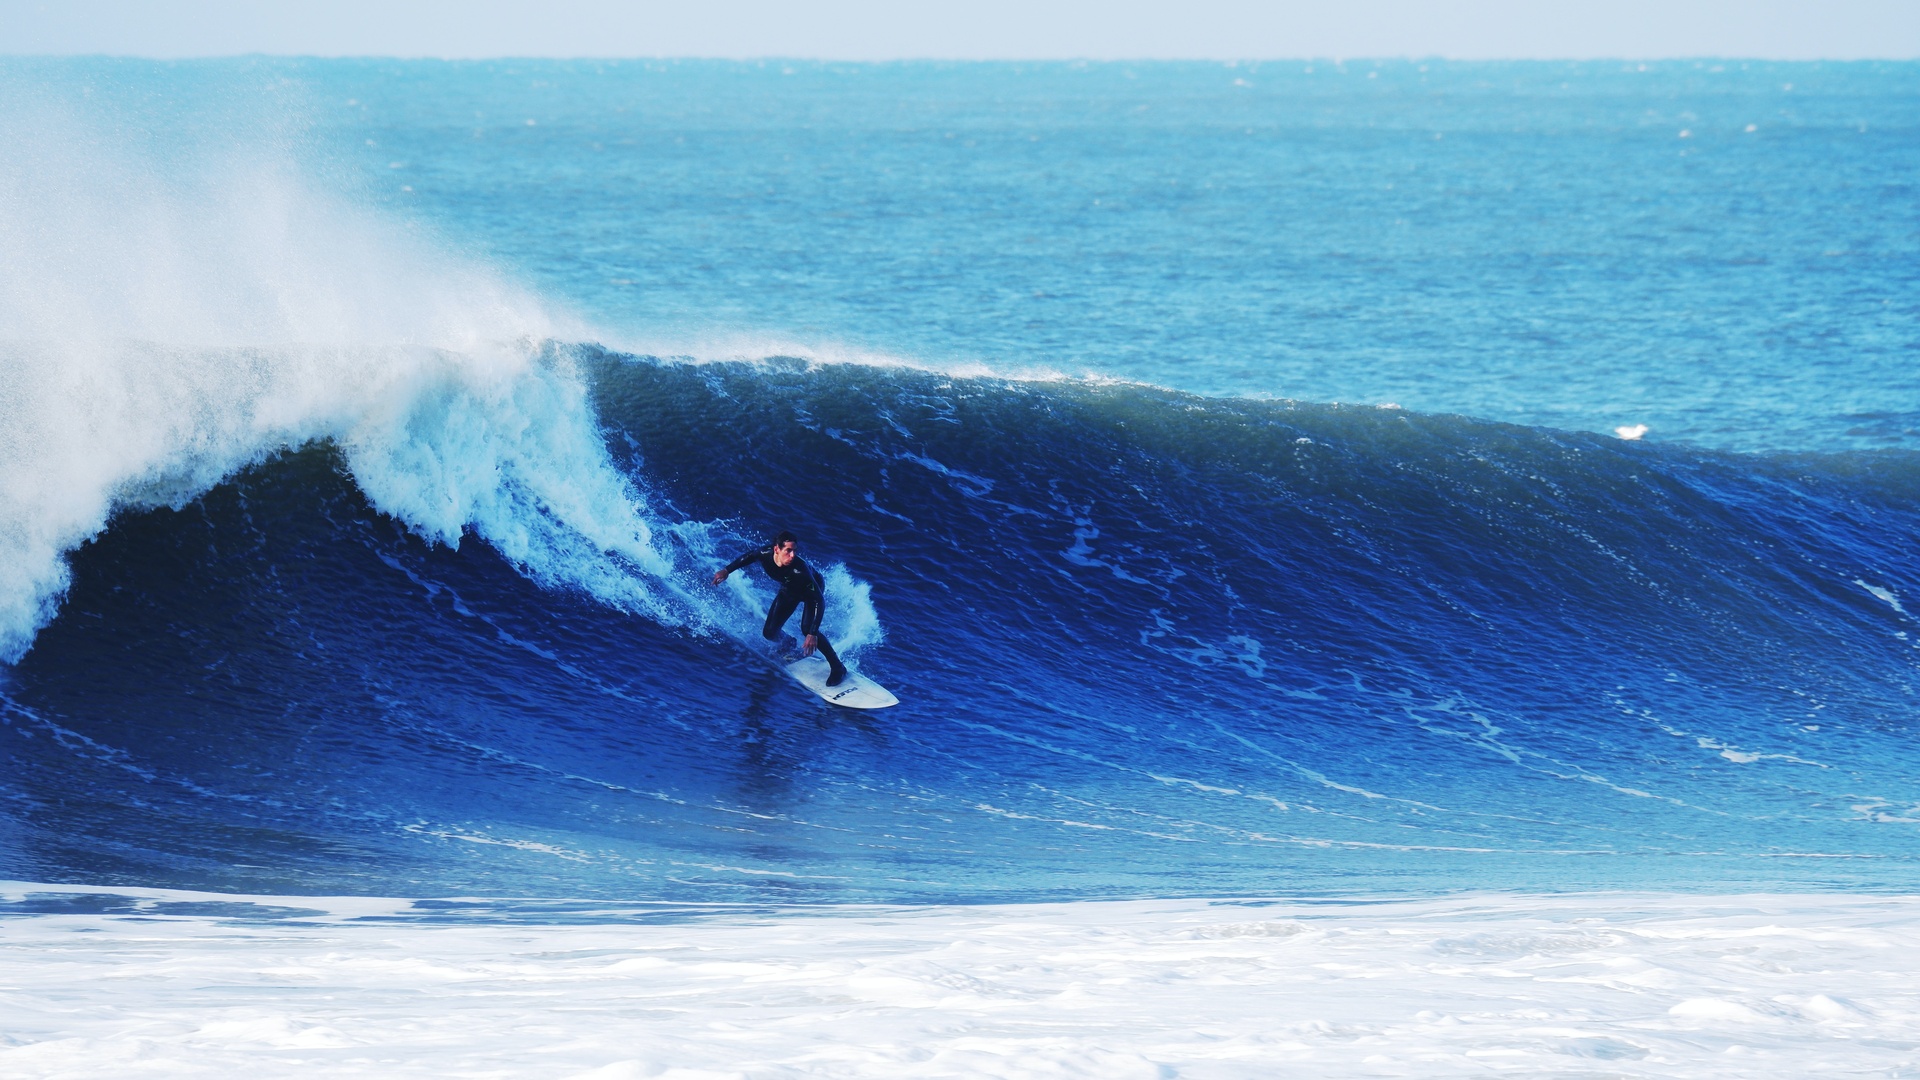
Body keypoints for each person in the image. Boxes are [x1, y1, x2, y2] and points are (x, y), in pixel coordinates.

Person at [710, 531, 849, 686]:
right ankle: (788, 643)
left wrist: (813, 633)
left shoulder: (800, 570)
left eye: (795, 551)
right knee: (769, 632)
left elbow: (818, 600)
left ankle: (838, 667)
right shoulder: (765, 553)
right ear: (776, 549)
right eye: (788, 551)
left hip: (811, 589)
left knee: (807, 629)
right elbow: (750, 556)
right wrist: (727, 570)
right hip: (790, 588)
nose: (792, 555)